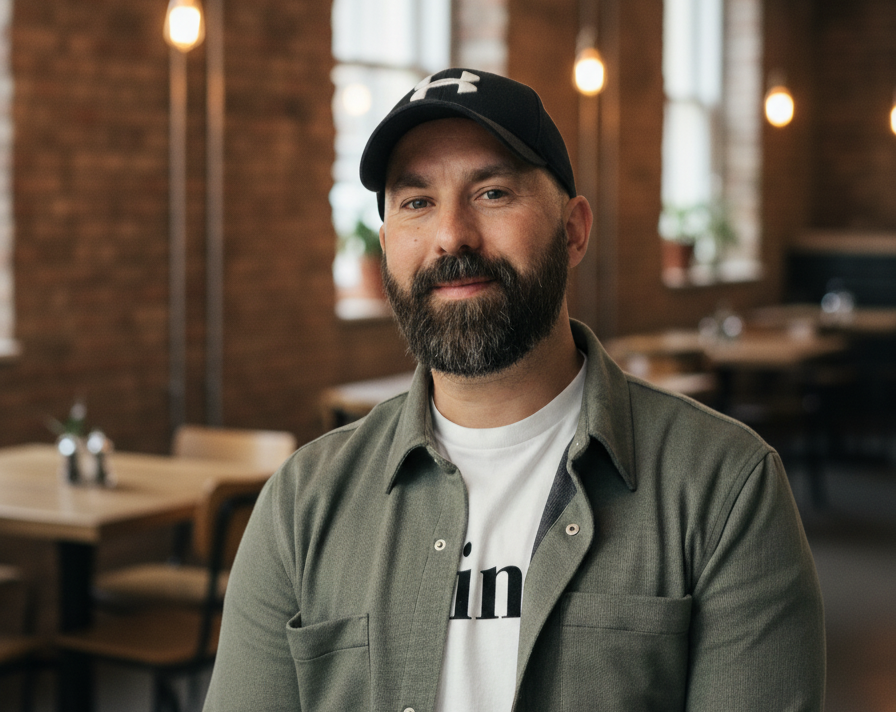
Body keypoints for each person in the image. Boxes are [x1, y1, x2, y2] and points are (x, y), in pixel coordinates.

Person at [204, 68, 825, 712]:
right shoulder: (302, 505)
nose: (451, 235)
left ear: (573, 230)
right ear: (387, 246)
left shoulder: (724, 488)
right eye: (416, 202)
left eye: (493, 193)